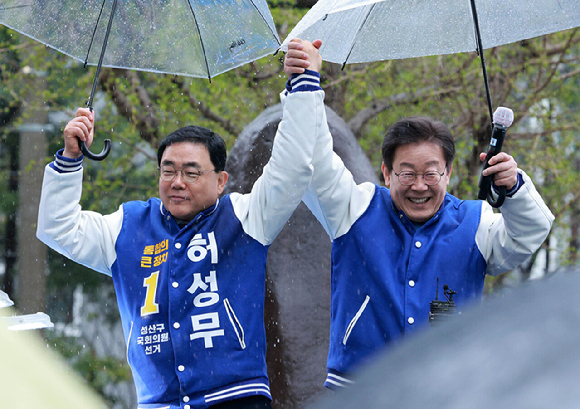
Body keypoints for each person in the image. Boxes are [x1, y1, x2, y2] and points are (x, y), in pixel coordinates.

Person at [36, 46, 323, 409]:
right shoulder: (128, 226)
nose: (177, 182)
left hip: (236, 399)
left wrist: (303, 87)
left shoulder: (246, 218)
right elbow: (57, 228)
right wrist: (70, 158)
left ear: (221, 180)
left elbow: (293, 167)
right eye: (168, 170)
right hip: (159, 403)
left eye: (191, 172)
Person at [284, 38, 555, 390]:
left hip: (446, 390)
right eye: (407, 173)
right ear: (386, 173)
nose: (419, 185)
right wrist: (304, 83)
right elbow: (310, 160)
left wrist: (515, 187)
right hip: (358, 390)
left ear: (449, 173)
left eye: (430, 173)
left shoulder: (476, 222)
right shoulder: (355, 209)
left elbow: (529, 233)